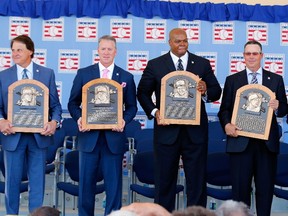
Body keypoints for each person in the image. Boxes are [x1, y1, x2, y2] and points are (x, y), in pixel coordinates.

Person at [137, 28, 222, 211]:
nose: (182, 44)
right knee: (165, 182)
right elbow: (142, 93)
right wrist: (155, 112)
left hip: (196, 134)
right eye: (178, 41)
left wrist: (205, 89)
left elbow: (216, 91)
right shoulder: (155, 65)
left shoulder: (202, 64)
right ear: (169, 42)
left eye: (185, 41)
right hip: (167, 133)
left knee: (197, 182)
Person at [68, 35, 137, 216]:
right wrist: (79, 119)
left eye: (110, 49)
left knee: (113, 189)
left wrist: (124, 120)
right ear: (98, 51)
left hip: (113, 140)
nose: (106, 52)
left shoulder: (126, 77)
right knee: (85, 187)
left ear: (116, 51)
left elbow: (132, 107)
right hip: (88, 139)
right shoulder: (84, 73)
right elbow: (73, 104)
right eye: (103, 49)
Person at [217, 40, 288, 216]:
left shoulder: (276, 79)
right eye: (248, 53)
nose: (251, 57)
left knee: (265, 191)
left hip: (266, 145)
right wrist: (227, 124)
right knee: (240, 192)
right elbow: (224, 109)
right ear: (243, 56)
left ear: (261, 56)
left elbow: (284, 110)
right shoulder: (232, 80)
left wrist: (278, 106)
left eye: (255, 53)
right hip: (240, 142)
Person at [0, 35, 62, 214]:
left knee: (37, 183)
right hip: (13, 137)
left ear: (31, 51)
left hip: (39, 137)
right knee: (12, 183)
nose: (15, 54)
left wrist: (54, 122)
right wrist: (1, 121)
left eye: (19, 50)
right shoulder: (3, 76)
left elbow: (55, 106)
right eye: (12, 50)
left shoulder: (46, 73)